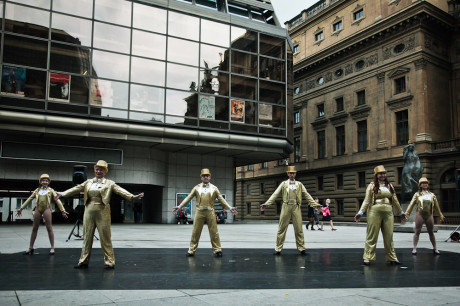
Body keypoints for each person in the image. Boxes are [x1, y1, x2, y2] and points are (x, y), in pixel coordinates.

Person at [55, 160, 144, 269]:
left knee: (105, 236)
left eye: (101, 169)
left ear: (105, 171)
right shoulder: (88, 182)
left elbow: (119, 190)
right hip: (89, 210)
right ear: (94, 170)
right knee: (87, 237)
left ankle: (109, 261)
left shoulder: (109, 183)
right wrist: (62, 193)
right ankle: (83, 261)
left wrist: (131, 196)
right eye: (97, 169)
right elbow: (76, 188)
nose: (99, 171)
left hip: (103, 210)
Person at [172, 168, 238, 257]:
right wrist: (179, 206)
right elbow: (188, 197)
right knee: (195, 231)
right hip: (199, 211)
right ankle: (191, 250)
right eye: (204, 176)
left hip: (210, 211)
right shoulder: (196, 188)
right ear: (201, 177)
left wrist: (229, 208)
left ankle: (217, 249)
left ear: (209, 177)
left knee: (214, 231)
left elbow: (221, 199)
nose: (205, 177)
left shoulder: (214, 188)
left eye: (207, 175)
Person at [354, 165, 407, 266]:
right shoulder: (372, 185)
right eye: (380, 173)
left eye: (384, 173)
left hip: (388, 211)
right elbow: (367, 200)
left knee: (389, 236)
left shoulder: (389, 186)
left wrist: (401, 212)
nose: (383, 175)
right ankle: (367, 256)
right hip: (375, 211)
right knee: (372, 235)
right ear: (376, 175)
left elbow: (395, 199)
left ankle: (392, 257)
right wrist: (360, 212)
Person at [260, 166, 317, 256]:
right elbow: (275, 194)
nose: (291, 175)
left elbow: (307, 195)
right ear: (287, 174)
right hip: (286, 206)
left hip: (296, 207)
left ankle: (301, 248)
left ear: (295, 174)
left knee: (299, 229)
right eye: (290, 173)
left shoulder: (299, 184)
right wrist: (267, 204)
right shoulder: (283, 184)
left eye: (293, 173)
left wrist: (316, 205)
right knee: (282, 228)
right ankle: (278, 249)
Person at [16, 174, 69, 255]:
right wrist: (21, 208)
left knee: (49, 228)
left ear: (48, 182)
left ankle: (52, 247)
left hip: (46, 209)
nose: (45, 182)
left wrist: (63, 210)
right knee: (34, 228)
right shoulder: (37, 190)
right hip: (38, 209)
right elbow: (29, 199)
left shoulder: (51, 190)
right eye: (43, 180)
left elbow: (57, 200)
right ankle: (31, 247)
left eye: (46, 181)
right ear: (40, 182)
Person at [406, 177, 445, 255]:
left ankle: (435, 248)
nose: (425, 184)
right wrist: (406, 213)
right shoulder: (417, 194)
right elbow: (411, 204)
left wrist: (440, 215)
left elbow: (436, 206)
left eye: (426, 183)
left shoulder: (432, 195)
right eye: (423, 183)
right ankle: (414, 248)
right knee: (417, 231)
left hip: (429, 214)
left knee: (431, 232)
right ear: (420, 185)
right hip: (420, 214)